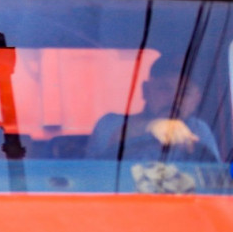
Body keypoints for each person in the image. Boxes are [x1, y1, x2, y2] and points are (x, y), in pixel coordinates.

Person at [87, 56, 221, 162]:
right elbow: (96, 171)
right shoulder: (110, 123)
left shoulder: (199, 129)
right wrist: (151, 126)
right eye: (164, 88)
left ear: (197, 99)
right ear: (146, 91)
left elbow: (215, 179)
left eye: (185, 92)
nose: (174, 99)